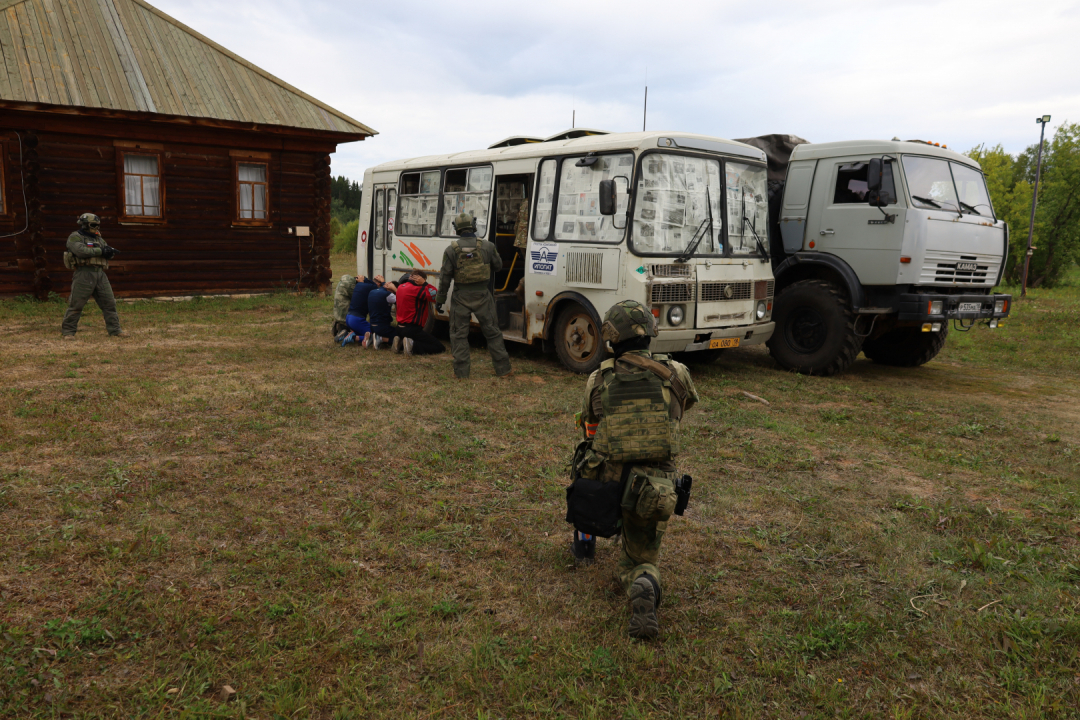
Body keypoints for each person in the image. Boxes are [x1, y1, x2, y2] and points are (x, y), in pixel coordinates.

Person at [568, 300, 698, 639]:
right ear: (651, 333)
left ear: (611, 339)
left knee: (586, 458)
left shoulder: (598, 379)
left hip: (607, 487)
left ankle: (587, 543)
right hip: (654, 489)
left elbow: (590, 429)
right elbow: (683, 408)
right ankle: (644, 579)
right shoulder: (677, 373)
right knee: (640, 557)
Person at [434, 213, 512, 379]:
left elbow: (445, 278)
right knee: (493, 332)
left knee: (459, 334)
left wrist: (440, 300)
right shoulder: (488, 246)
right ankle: (504, 370)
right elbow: (498, 266)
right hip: (483, 295)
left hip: (460, 297)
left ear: (457, 229)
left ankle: (461, 373)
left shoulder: (450, 250)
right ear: (473, 226)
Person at [61, 213, 125, 339]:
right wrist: (100, 251)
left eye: (98, 225)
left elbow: (107, 251)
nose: (96, 228)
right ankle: (68, 332)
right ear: (84, 224)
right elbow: (80, 251)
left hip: (100, 273)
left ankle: (115, 331)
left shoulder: (99, 239)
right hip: (84, 273)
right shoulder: (75, 237)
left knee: (109, 303)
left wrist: (108, 252)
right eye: (93, 225)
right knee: (76, 304)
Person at [393, 271, 444, 356]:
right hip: (411, 329)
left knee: (422, 339)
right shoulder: (417, 290)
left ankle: (400, 343)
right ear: (420, 279)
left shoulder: (401, 287)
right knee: (439, 347)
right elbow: (436, 295)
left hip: (399, 327)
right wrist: (425, 283)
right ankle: (412, 346)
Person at [342, 275, 383, 347]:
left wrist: (365, 280)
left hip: (348, 318)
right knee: (375, 335)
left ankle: (349, 334)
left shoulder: (359, 285)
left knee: (364, 332)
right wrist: (383, 282)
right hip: (357, 320)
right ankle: (354, 338)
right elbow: (381, 289)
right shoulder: (372, 288)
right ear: (378, 284)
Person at [367, 279, 398, 349]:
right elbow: (402, 301)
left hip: (371, 325)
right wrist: (396, 290)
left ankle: (373, 337)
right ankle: (381, 339)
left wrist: (384, 283)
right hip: (382, 327)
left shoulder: (372, 292)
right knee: (399, 337)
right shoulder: (389, 295)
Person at [331, 274, 358, 341]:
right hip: (345, 314)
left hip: (338, 311)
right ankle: (343, 331)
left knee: (342, 319)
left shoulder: (343, 281)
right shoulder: (350, 285)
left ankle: (338, 327)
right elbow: (355, 298)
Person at [513, 198, 529, 303]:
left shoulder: (525, 202)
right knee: (532, 269)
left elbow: (517, 223)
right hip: (531, 240)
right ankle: (522, 284)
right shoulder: (538, 199)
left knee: (527, 266)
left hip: (521, 239)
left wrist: (518, 237)